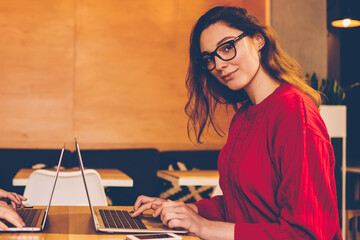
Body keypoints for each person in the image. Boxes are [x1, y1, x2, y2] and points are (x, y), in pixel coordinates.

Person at [131, 6, 342, 239]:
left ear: (258, 40)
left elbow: (307, 233)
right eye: (209, 58)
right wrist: (185, 210)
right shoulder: (243, 116)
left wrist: (203, 226)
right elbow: (240, 205)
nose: (219, 64)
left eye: (227, 47)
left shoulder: (294, 113)